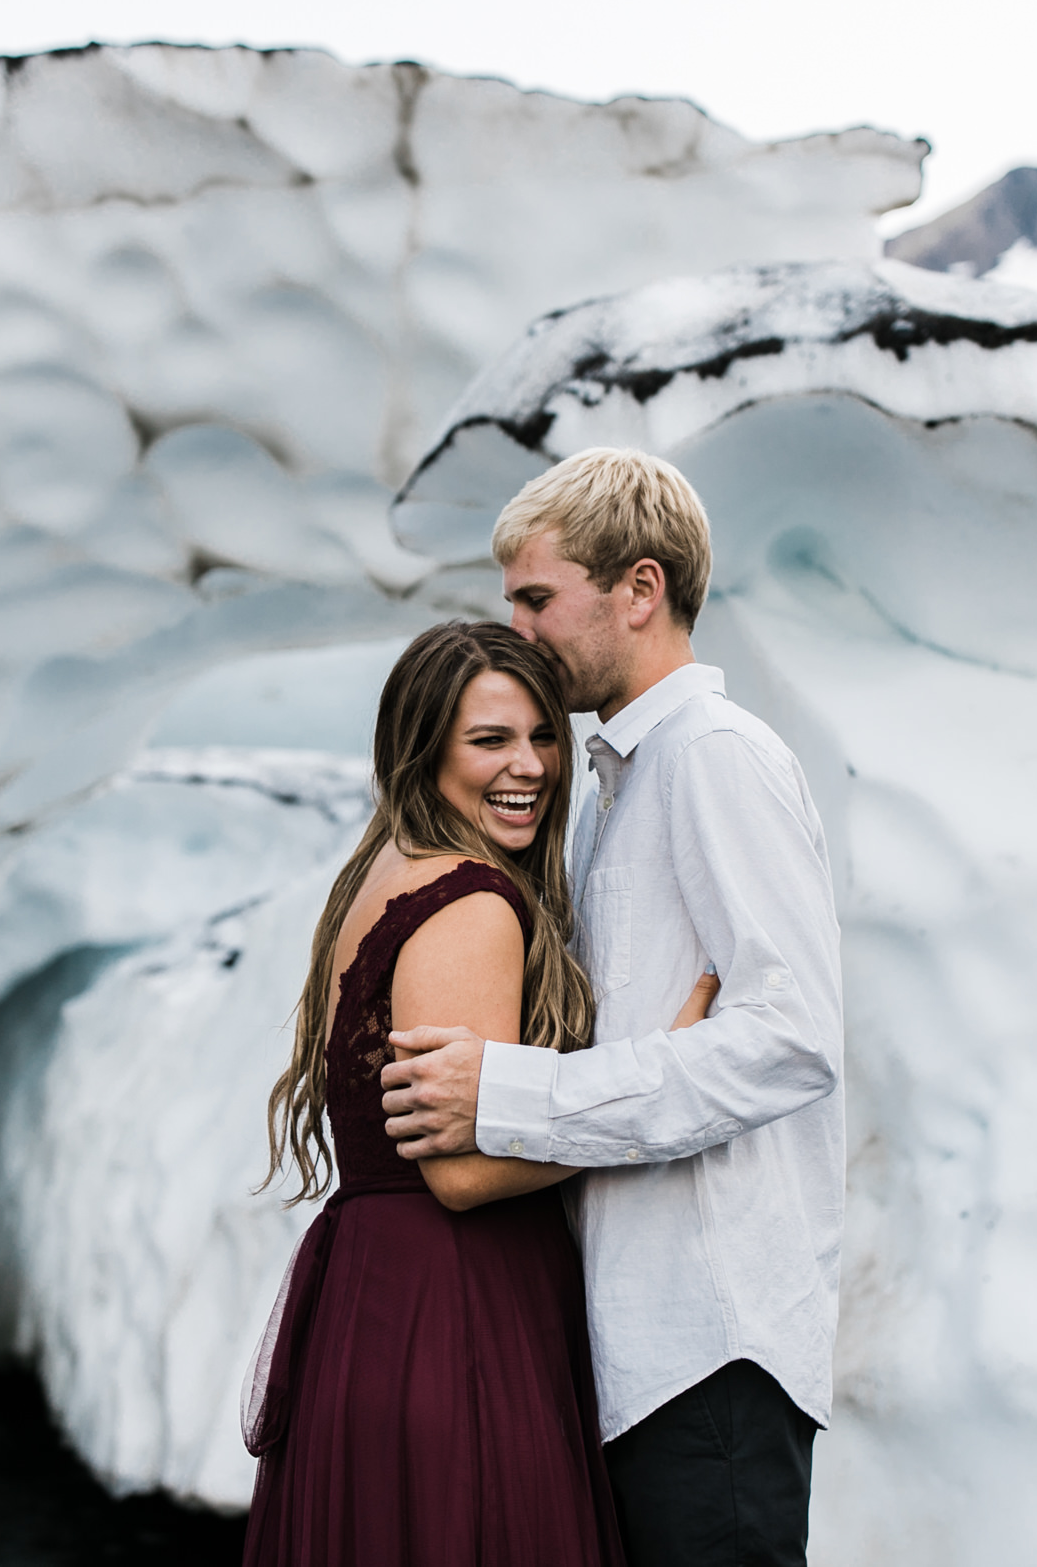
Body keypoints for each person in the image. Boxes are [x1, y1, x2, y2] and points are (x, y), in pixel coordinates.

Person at [382, 447, 846, 1567]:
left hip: (710, 1347)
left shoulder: (715, 759)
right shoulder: (613, 780)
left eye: (537, 598)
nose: (518, 630)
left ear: (638, 589)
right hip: (638, 1346)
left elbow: (791, 1040)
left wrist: (514, 1096)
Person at [240, 620, 715, 1567]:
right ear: (423, 752)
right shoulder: (472, 903)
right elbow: (459, 1171)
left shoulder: (385, 871)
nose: (530, 766)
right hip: (453, 1307)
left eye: (542, 735)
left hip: (375, 1300)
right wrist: (658, 1083)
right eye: (489, 739)